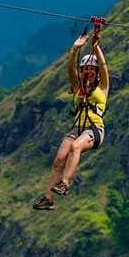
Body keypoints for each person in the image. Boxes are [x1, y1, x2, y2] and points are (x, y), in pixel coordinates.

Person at [33, 31, 109, 211]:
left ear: (96, 72)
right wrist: (75, 49)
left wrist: (96, 47)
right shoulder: (77, 87)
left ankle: (65, 183)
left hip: (94, 129)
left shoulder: (103, 87)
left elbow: (104, 67)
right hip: (77, 128)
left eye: (92, 69)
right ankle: (48, 198)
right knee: (59, 160)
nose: (89, 72)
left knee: (76, 148)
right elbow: (70, 69)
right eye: (86, 69)